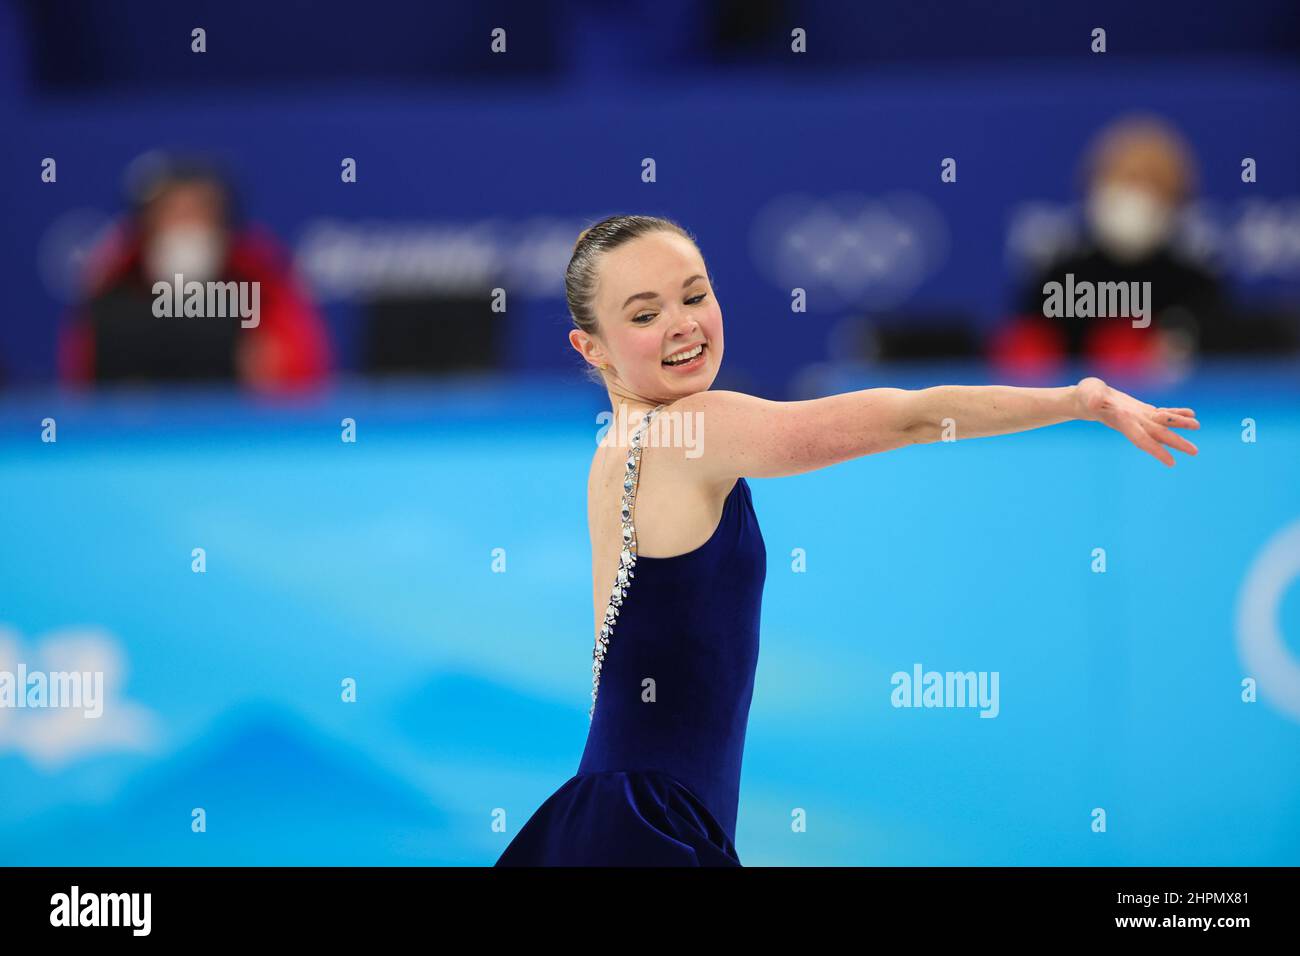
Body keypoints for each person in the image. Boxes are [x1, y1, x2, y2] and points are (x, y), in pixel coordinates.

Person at [495, 214, 1199, 866]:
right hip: (646, 830)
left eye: (695, 295)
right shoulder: (696, 429)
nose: (683, 325)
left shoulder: (617, 451)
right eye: (645, 314)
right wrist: (1078, 400)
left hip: (619, 816)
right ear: (591, 347)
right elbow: (909, 419)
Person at [59, 154, 331, 392]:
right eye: (172, 213)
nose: (186, 225)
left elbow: (302, 372)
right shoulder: (115, 280)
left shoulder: (259, 279)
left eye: (199, 212)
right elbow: (83, 382)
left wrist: (264, 369)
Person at [996, 115, 1228, 374]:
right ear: (1094, 185)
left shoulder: (1197, 287)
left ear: (1178, 198)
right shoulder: (1058, 280)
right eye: (1124, 178)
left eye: (1152, 183)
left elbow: (1222, 367)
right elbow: (1023, 361)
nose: (1135, 195)